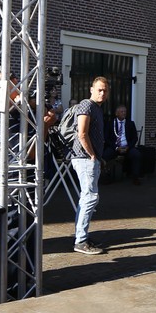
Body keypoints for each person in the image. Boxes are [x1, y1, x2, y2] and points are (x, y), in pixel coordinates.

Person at [62, 78, 108, 254]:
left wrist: (98, 157)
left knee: (87, 198)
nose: (102, 93)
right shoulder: (86, 105)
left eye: (105, 90)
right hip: (84, 158)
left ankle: (82, 236)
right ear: (91, 89)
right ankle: (81, 241)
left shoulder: (97, 108)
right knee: (90, 198)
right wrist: (92, 155)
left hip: (89, 159)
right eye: (99, 90)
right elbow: (82, 133)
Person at [104, 104, 142, 184]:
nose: (124, 113)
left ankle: (136, 177)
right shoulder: (110, 123)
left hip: (127, 147)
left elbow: (135, 138)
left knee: (136, 154)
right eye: (121, 111)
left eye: (125, 111)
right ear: (116, 113)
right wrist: (116, 148)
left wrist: (128, 147)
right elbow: (106, 138)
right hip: (115, 147)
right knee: (106, 155)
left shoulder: (130, 123)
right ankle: (107, 176)